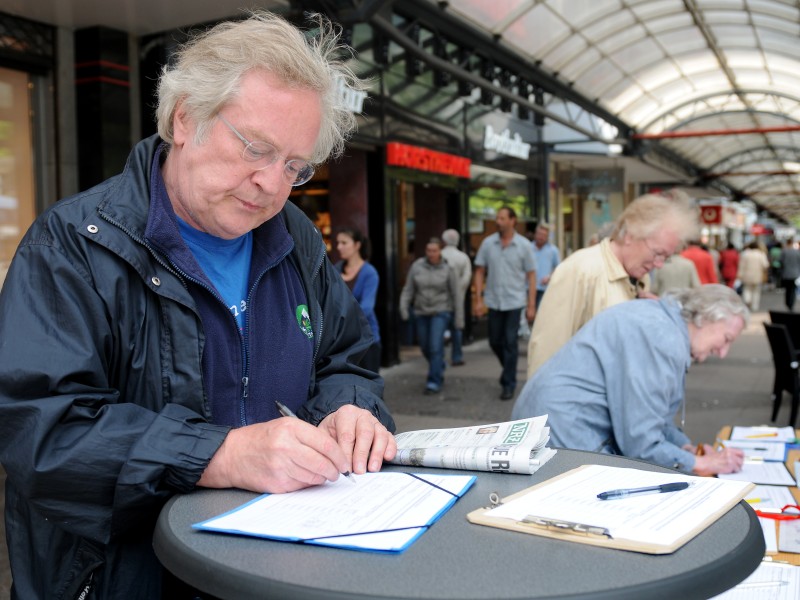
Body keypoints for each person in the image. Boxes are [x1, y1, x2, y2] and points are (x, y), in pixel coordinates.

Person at [0, 12, 397, 599]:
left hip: (275, 570)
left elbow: (346, 358)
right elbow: (42, 433)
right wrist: (220, 454)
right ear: (185, 118)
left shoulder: (297, 239)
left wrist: (352, 408)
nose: (271, 183)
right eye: (256, 149)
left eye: (294, 165)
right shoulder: (72, 245)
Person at [513, 285, 748, 476]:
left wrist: (685, 449)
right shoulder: (663, 339)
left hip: (550, 422)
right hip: (563, 431)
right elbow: (641, 444)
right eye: (726, 339)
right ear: (705, 318)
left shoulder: (661, 322)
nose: (723, 352)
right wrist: (701, 464)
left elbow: (649, 415)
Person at [527, 191, 699, 377]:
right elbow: (545, 352)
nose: (659, 264)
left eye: (666, 257)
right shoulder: (580, 270)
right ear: (630, 235)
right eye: (658, 253)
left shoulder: (641, 277)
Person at [472, 207, 537, 400]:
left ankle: (508, 383)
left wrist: (531, 305)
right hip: (494, 300)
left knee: (510, 342)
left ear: (512, 221)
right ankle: (508, 369)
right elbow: (479, 271)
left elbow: (532, 276)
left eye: (501, 218)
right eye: (497, 218)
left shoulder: (524, 245)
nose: (497, 221)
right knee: (494, 341)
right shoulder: (488, 243)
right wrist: (478, 299)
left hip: (515, 301)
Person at [399, 238, 464, 394]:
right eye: (429, 250)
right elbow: (409, 289)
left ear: (440, 251)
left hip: (441, 312)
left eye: (434, 251)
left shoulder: (449, 268)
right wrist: (404, 307)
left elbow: (456, 294)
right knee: (425, 347)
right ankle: (439, 365)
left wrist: (459, 319)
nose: (431, 254)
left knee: (435, 346)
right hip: (421, 312)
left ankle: (433, 381)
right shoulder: (417, 266)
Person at [335, 227, 381, 372]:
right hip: (341, 341)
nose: (338, 247)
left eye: (344, 243)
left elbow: (366, 308)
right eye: (338, 243)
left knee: (369, 388)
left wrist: (339, 320)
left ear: (357, 245)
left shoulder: (369, 272)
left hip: (365, 338)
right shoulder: (335, 269)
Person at [441, 228, 472, 366]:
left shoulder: (439, 255)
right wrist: (458, 291)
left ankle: (440, 357)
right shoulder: (463, 257)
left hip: (441, 299)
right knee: (457, 327)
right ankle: (457, 356)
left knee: (440, 329)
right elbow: (466, 277)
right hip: (458, 299)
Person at [530, 222, 560, 309]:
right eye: (539, 234)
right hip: (528, 289)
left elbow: (558, 268)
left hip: (544, 289)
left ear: (547, 236)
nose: (541, 237)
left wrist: (549, 277)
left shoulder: (553, 250)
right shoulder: (528, 248)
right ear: (535, 234)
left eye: (544, 235)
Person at [737, 241, 769, 311]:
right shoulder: (761, 254)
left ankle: (747, 300)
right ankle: (754, 306)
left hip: (746, 275)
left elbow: (741, 265)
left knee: (747, 289)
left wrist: (740, 274)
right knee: (756, 291)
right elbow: (765, 265)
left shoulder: (745, 254)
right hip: (758, 275)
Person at [781, 240, 800, 311]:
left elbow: (781, 262)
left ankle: (788, 303)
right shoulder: (797, 252)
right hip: (795, 274)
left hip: (786, 274)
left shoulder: (784, 252)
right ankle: (791, 303)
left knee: (788, 290)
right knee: (792, 290)